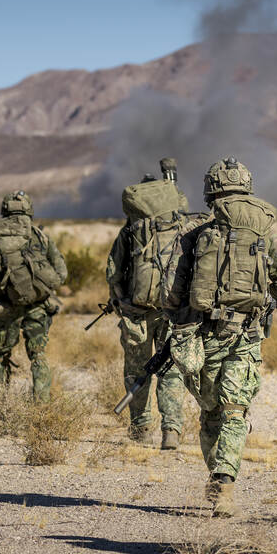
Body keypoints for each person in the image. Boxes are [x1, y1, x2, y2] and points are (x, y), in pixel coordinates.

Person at [161, 158, 277, 516]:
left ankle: (217, 479)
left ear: (210, 192)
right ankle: (225, 483)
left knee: (210, 414)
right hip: (246, 334)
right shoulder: (265, 232)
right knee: (235, 410)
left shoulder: (193, 234)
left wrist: (182, 319)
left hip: (202, 335)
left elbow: (170, 294)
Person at [105, 158, 189, 449]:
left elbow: (113, 271)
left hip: (136, 313)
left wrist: (119, 300)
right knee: (171, 370)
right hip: (173, 311)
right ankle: (172, 429)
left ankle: (140, 429)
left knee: (136, 370)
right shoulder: (181, 226)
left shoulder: (131, 231)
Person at [0, 191, 67, 399]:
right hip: (37, 304)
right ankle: (41, 406)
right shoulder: (40, 236)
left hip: (4, 305)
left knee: (0, 355)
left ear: (4, 211)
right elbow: (61, 273)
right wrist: (42, 290)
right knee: (38, 355)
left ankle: (2, 404)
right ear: (29, 210)